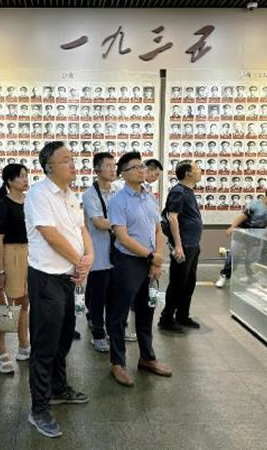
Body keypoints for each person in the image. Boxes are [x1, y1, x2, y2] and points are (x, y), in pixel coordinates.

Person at [24, 141, 94, 438]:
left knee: (64, 337)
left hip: (68, 276)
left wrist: (89, 257)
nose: (73, 164)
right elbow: (50, 236)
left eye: (72, 158)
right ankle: (39, 409)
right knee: (45, 345)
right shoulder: (39, 194)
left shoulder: (69, 195)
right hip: (46, 278)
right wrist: (79, 261)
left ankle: (58, 388)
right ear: (49, 166)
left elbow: (81, 229)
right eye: (66, 159)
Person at [108, 152, 171, 388]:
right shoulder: (118, 201)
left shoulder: (150, 197)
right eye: (135, 167)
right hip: (128, 262)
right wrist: (151, 256)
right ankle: (118, 363)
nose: (141, 170)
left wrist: (157, 260)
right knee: (119, 314)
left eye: (142, 165)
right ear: (123, 174)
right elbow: (122, 237)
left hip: (151, 261)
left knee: (147, 310)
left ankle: (147, 357)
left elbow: (158, 229)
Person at [0, 163, 31, 374]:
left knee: (24, 302)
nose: (25, 179)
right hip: (9, 254)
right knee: (3, 305)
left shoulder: (29, 202)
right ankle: (1, 354)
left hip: (28, 254)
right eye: (20, 176)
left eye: (26, 175)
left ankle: (24, 346)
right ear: (9, 181)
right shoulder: (3, 205)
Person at [158, 161, 203, 333]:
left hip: (192, 244)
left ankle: (182, 315)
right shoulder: (178, 191)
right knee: (178, 282)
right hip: (183, 245)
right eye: (196, 169)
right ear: (187, 173)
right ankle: (166, 318)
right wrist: (178, 245)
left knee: (189, 282)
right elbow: (173, 218)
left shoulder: (188, 191)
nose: (200, 171)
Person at [83, 152, 117, 353]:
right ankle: (97, 333)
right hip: (99, 253)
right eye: (108, 166)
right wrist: (122, 225)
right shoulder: (90, 194)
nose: (113, 169)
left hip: (117, 253)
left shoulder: (118, 191)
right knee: (98, 297)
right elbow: (98, 222)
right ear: (97, 170)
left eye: (114, 166)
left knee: (114, 296)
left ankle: (112, 330)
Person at [215, 183, 267, 288]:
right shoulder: (255, 204)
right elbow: (243, 216)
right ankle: (224, 275)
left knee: (252, 259)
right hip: (243, 233)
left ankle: (250, 277)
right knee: (234, 256)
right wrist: (232, 227)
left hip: (257, 236)